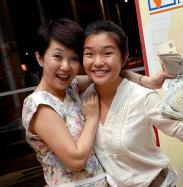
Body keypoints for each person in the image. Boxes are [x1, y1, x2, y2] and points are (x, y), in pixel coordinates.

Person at [82, 20, 183, 187]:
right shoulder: (83, 98)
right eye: (89, 54)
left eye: (107, 53)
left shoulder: (143, 97)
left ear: (123, 57)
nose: (97, 62)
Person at [21, 18, 169, 186]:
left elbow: (105, 74)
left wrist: (146, 81)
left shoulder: (70, 87)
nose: (66, 66)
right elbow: (76, 161)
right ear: (40, 58)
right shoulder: (40, 104)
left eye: (74, 58)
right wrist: (92, 118)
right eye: (57, 57)